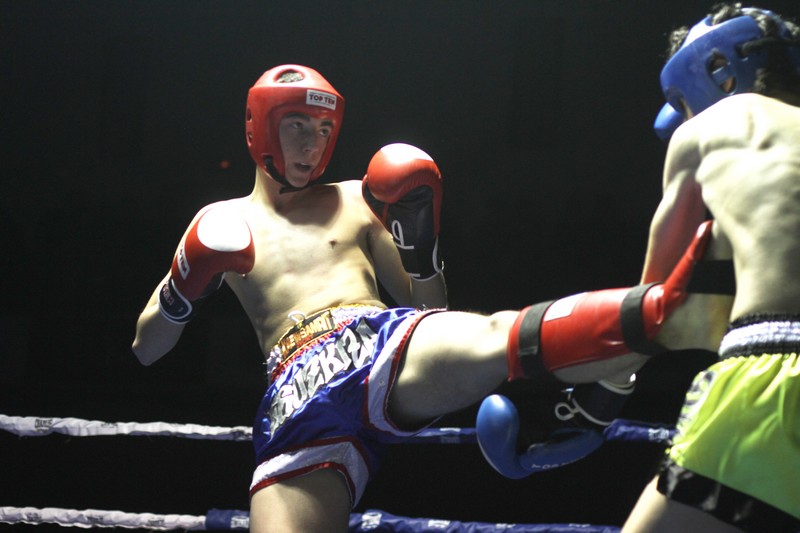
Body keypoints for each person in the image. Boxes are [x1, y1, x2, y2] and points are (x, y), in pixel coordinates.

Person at [132, 64, 722, 533]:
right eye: (296, 128)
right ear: (260, 126)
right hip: (293, 388)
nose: (313, 145)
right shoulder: (219, 223)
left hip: (375, 340)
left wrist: (420, 246)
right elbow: (147, 348)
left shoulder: (357, 199)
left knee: (496, 336)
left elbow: (429, 306)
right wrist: (184, 285)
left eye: (322, 131)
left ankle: (666, 313)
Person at [622, 4, 800, 532]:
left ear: (713, 71)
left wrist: (591, 402)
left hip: (774, 369)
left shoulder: (709, 128)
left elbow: (648, 304)